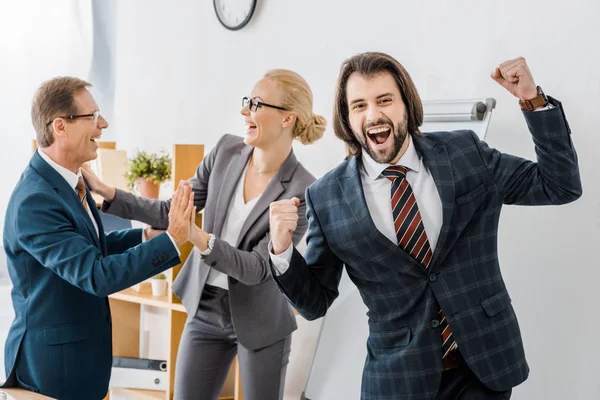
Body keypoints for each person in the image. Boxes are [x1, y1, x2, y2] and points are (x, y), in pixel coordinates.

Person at [269, 53, 582, 400]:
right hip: (398, 379)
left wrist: (533, 101)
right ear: (348, 118)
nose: (373, 114)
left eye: (384, 100)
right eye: (359, 105)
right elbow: (315, 303)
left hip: (483, 368)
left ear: (406, 103)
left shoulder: (464, 153)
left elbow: (560, 185)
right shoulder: (326, 198)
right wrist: (282, 251)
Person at [83, 69, 326, 400]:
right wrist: (108, 192)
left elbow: (257, 268)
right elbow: (173, 209)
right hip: (206, 308)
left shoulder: (302, 189)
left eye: (255, 104)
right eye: (247, 102)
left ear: (287, 119)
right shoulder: (226, 151)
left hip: (261, 321)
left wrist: (197, 236)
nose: (245, 112)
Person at [0, 77, 195, 400]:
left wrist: (146, 236)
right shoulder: (36, 200)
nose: (103, 124)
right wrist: (173, 239)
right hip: (54, 371)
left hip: (81, 362)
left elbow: (89, 247)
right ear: (60, 127)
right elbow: (96, 274)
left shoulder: (70, 181)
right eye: (92, 116)